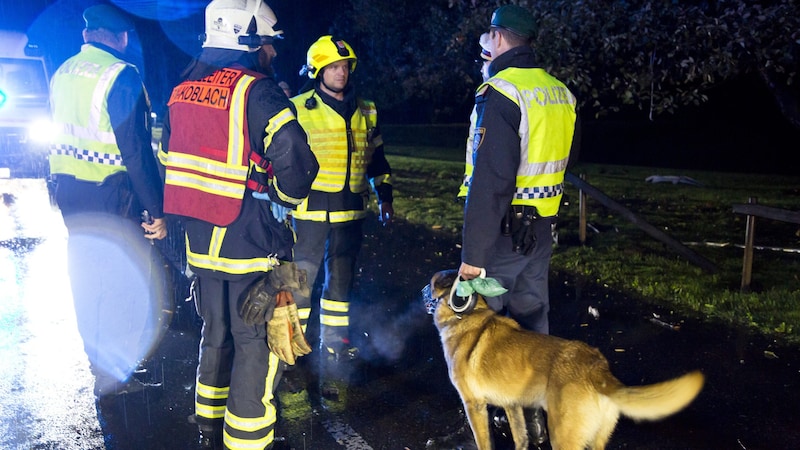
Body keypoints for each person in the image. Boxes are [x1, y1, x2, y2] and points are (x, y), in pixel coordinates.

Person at [158, 1, 319, 449]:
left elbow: (169, 161)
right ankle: (248, 440)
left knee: (217, 333)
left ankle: (209, 426)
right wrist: (283, 198)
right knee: (255, 341)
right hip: (250, 240)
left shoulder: (182, 89)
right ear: (247, 38)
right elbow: (295, 157)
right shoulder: (258, 90)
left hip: (199, 242)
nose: (271, 51)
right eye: (266, 42)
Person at [457, 4, 579, 446]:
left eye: (487, 37)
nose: (483, 45)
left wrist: (473, 259)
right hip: (542, 229)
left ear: (501, 38)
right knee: (534, 325)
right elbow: (569, 159)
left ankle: (491, 426)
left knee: (481, 332)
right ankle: (541, 418)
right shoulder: (559, 92)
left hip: (503, 235)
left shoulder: (502, 92)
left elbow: (490, 183)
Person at [48, 4, 168, 400]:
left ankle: (98, 365)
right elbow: (135, 151)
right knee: (125, 283)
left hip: (71, 196)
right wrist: (156, 209)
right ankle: (119, 372)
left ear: (86, 35)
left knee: (86, 279)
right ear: (120, 38)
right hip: (114, 196)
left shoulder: (63, 73)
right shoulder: (121, 75)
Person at [289, 36, 394, 363]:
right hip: (310, 212)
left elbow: (377, 157)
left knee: (341, 283)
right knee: (301, 282)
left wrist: (386, 197)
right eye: (333, 67)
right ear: (317, 71)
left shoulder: (367, 109)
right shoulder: (298, 108)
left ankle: (334, 343)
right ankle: (293, 345)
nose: (341, 73)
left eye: (345, 66)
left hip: (351, 211)